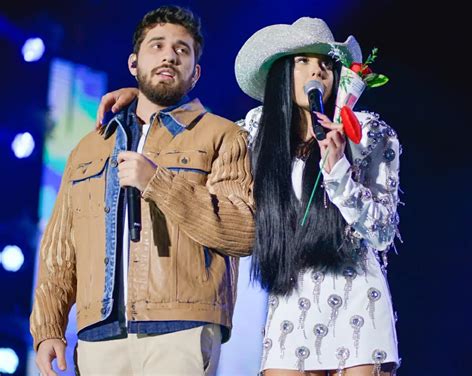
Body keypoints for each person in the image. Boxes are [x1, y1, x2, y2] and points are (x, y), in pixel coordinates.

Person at [98, 16, 401, 376]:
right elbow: (199, 135)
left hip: (356, 296)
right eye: (302, 62)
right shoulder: (256, 130)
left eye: (325, 65)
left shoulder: (366, 132)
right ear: (280, 73)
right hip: (290, 295)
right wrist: (144, 102)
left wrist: (338, 171)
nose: (316, 72)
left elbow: (382, 232)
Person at [30, 5, 255, 376]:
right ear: (134, 63)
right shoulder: (89, 147)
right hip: (100, 334)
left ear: (195, 73)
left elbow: (243, 230)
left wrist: (159, 183)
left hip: (182, 326)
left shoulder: (224, 136)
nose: (169, 55)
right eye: (158, 46)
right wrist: (48, 327)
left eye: (182, 50)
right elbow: (59, 247)